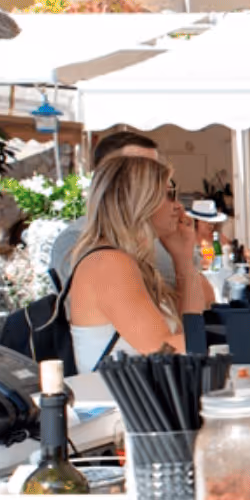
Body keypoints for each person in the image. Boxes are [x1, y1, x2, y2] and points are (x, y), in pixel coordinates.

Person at [64, 154, 210, 374]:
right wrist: (243, 336)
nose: (179, 207)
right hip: (119, 404)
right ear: (139, 200)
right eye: (169, 196)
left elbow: (191, 328)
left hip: (144, 399)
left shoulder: (126, 261)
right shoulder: (108, 263)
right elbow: (162, 349)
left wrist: (183, 259)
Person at [49, 130, 175, 287]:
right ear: (109, 174)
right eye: (140, 170)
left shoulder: (160, 235)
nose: (152, 179)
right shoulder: (79, 240)